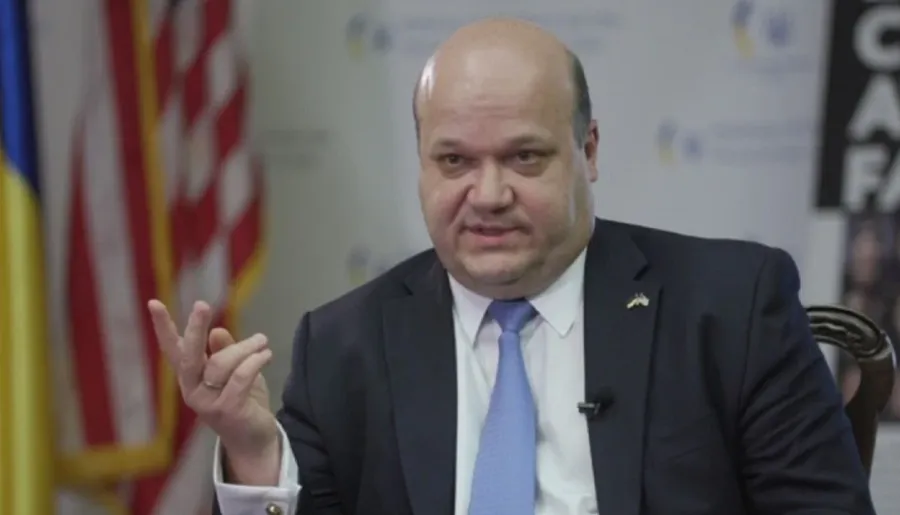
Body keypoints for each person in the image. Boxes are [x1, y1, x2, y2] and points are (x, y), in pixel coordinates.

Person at [148, 17, 875, 515]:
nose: (488, 194)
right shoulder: (344, 346)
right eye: (454, 161)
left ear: (589, 150)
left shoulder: (730, 306)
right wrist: (255, 455)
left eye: (525, 157)